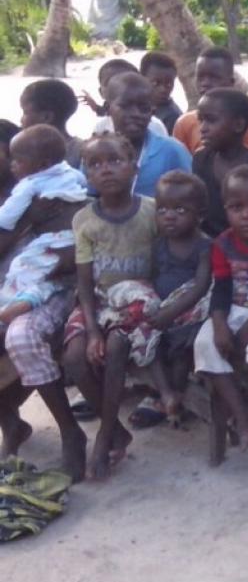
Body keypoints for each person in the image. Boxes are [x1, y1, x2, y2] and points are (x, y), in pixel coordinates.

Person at [63, 134, 159, 480]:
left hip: (139, 299)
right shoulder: (84, 220)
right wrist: (91, 331)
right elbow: (84, 281)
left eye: (115, 161)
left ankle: (104, 437)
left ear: (134, 166)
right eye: (95, 164)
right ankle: (115, 429)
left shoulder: (151, 211)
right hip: (99, 300)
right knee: (75, 358)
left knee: (117, 345)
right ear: (86, 174)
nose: (106, 170)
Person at [193, 165, 248, 452]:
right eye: (236, 207)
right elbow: (221, 287)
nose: (247, 215)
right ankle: (241, 413)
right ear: (225, 208)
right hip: (234, 308)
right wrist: (219, 324)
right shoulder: (222, 244)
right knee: (205, 344)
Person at [126, 172, 212, 429]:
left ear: (200, 215)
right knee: (147, 338)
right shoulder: (159, 244)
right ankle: (165, 394)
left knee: (181, 348)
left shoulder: (204, 246)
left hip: (188, 310)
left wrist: (171, 312)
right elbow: (153, 278)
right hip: (162, 308)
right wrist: (153, 307)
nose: (169, 216)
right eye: (162, 209)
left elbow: (201, 286)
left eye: (180, 210)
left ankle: (177, 394)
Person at [0, 127, 88, 326]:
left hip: (51, 242)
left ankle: (13, 306)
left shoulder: (29, 184)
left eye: (17, 161)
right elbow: (83, 185)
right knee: (42, 274)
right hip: (73, 238)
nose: (13, 164)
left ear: (43, 164)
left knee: (25, 270)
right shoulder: (69, 171)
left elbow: (6, 218)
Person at [192, 88, 248, 237]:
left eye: (211, 120)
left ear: (238, 125)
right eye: (201, 120)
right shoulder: (201, 159)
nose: (202, 128)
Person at [104, 72, 192, 197]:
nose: (135, 114)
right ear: (108, 108)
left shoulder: (172, 151)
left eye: (144, 108)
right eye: (125, 106)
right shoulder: (98, 152)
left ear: (152, 112)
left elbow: (192, 196)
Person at [173, 47, 248, 152]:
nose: (205, 83)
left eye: (214, 77)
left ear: (231, 82)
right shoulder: (184, 125)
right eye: (200, 77)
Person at [85, 59, 169, 139]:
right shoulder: (101, 127)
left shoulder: (155, 126)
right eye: (110, 83)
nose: (119, 87)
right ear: (101, 92)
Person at [19, 79, 83, 168]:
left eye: (25, 113)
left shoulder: (81, 152)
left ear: (46, 117)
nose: (21, 120)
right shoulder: (80, 148)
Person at [140, 51, 183, 135]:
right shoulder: (136, 106)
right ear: (141, 78)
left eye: (169, 84)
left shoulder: (172, 117)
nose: (163, 89)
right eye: (155, 83)